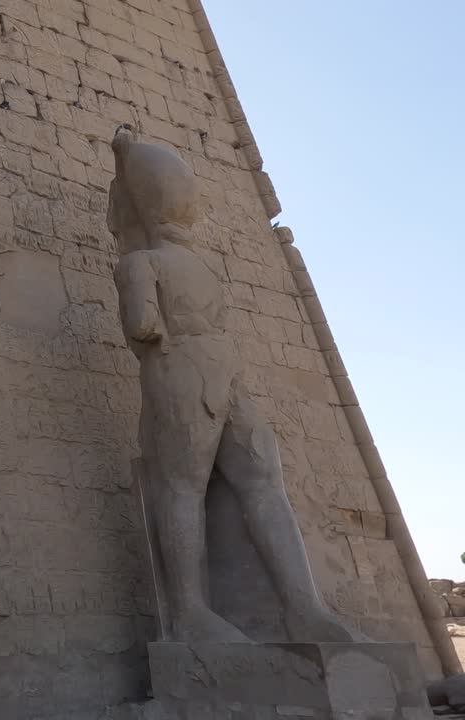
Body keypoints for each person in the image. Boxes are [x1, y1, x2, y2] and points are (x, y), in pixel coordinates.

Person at [109, 126, 354, 643]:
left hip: (189, 369)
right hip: (211, 369)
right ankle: (195, 613)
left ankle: (296, 608)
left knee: (219, 484)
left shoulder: (141, 263)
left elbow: (143, 326)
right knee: (226, 484)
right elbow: (145, 331)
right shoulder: (185, 264)